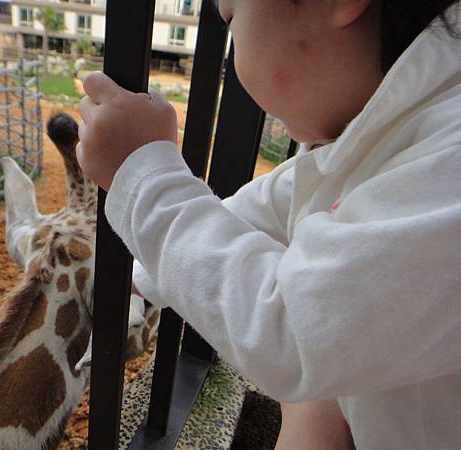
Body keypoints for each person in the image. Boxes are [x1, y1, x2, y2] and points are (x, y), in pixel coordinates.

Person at [77, 1, 461, 448]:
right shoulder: (400, 130)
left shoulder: (449, 162)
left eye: (230, 18)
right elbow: (270, 207)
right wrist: (141, 277)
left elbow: (293, 330)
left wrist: (144, 179)